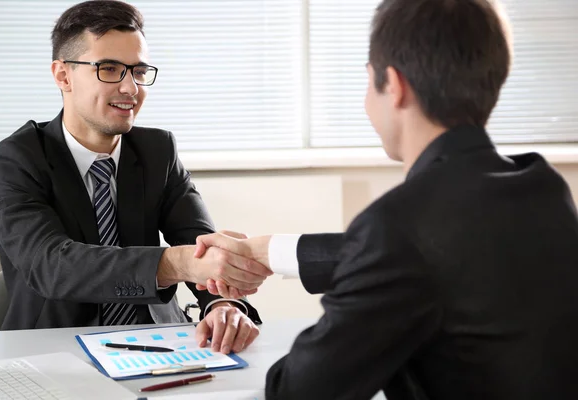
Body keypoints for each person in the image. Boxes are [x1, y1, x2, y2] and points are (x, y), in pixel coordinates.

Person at [194, 0, 578, 398]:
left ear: (394, 86)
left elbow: (298, 391)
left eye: (367, 81)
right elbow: (439, 254)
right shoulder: (542, 186)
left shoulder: (400, 226)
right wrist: (268, 252)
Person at [0, 0, 269, 355]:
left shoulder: (157, 149)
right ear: (63, 75)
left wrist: (223, 306)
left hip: (160, 343)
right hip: (53, 349)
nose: (131, 88)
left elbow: (200, 243)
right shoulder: (14, 160)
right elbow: (51, 265)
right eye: (110, 68)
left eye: (138, 70)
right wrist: (176, 263)